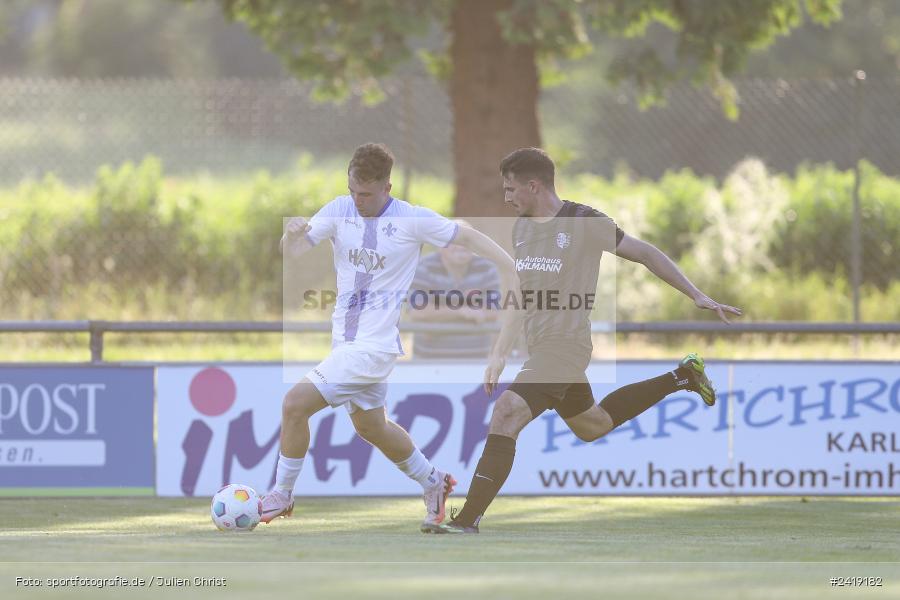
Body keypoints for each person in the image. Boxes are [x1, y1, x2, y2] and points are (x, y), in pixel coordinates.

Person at [431, 147, 742, 534]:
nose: (506, 198)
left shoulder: (583, 221)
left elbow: (644, 252)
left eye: (511, 190)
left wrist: (694, 294)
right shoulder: (523, 227)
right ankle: (682, 377)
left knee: (506, 412)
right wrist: (498, 353)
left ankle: (468, 519)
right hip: (540, 347)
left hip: (566, 347)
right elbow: (520, 294)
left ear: (534, 185)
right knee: (592, 424)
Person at [264, 143, 517, 532]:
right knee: (372, 427)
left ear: (387, 187)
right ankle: (433, 480)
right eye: (353, 191)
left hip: (373, 347)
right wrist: (292, 235)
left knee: (295, 404)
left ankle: (281, 494)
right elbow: (292, 252)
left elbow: (466, 238)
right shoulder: (338, 210)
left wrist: (510, 265)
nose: (357, 200)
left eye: (366, 194)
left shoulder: (412, 220)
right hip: (346, 344)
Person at [407, 219, 501, 360]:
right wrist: (462, 311)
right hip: (429, 362)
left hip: (476, 361)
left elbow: (493, 312)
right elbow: (417, 312)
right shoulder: (423, 267)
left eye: (466, 241)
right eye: (453, 241)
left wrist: (437, 317)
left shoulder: (487, 268)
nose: (460, 246)